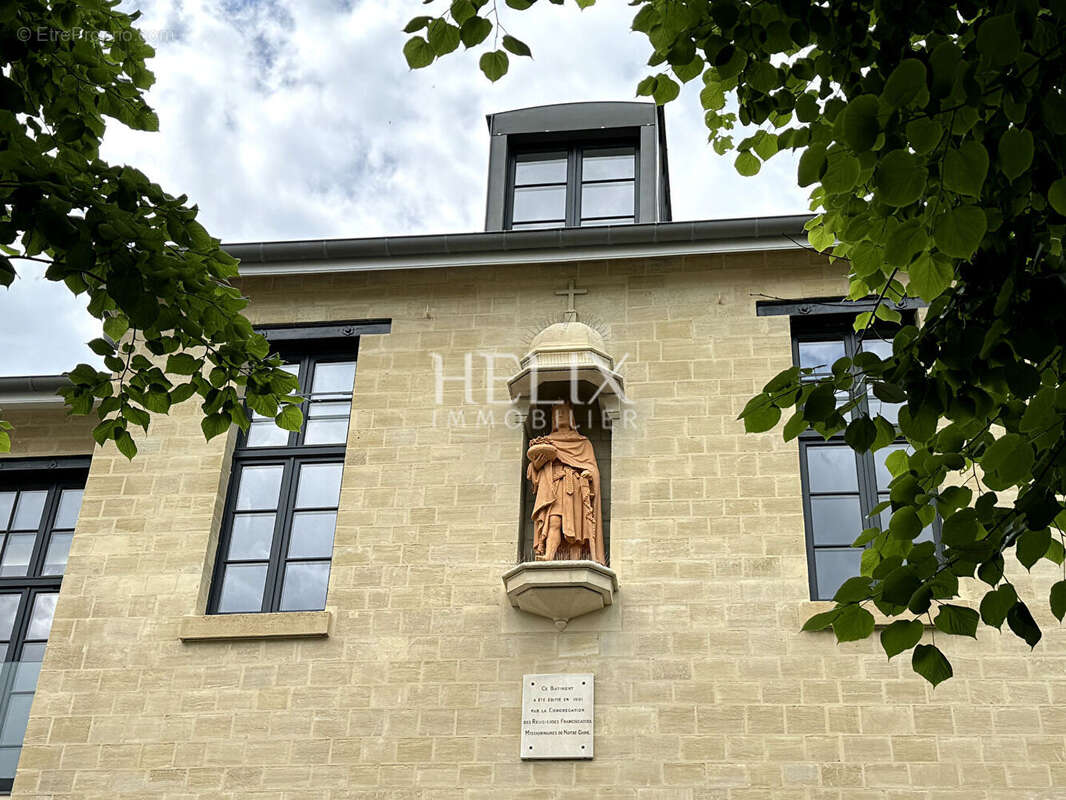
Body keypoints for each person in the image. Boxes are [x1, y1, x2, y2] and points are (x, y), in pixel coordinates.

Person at [526, 402, 605, 564]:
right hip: (554, 488)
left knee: (576, 529)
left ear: (571, 417)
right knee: (554, 521)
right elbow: (532, 472)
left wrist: (589, 475)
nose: (560, 415)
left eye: (564, 411)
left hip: (576, 487)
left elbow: (592, 468)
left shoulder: (583, 443)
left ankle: (576, 560)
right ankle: (549, 556)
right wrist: (536, 465)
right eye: (557, 412)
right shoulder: (546, 442)